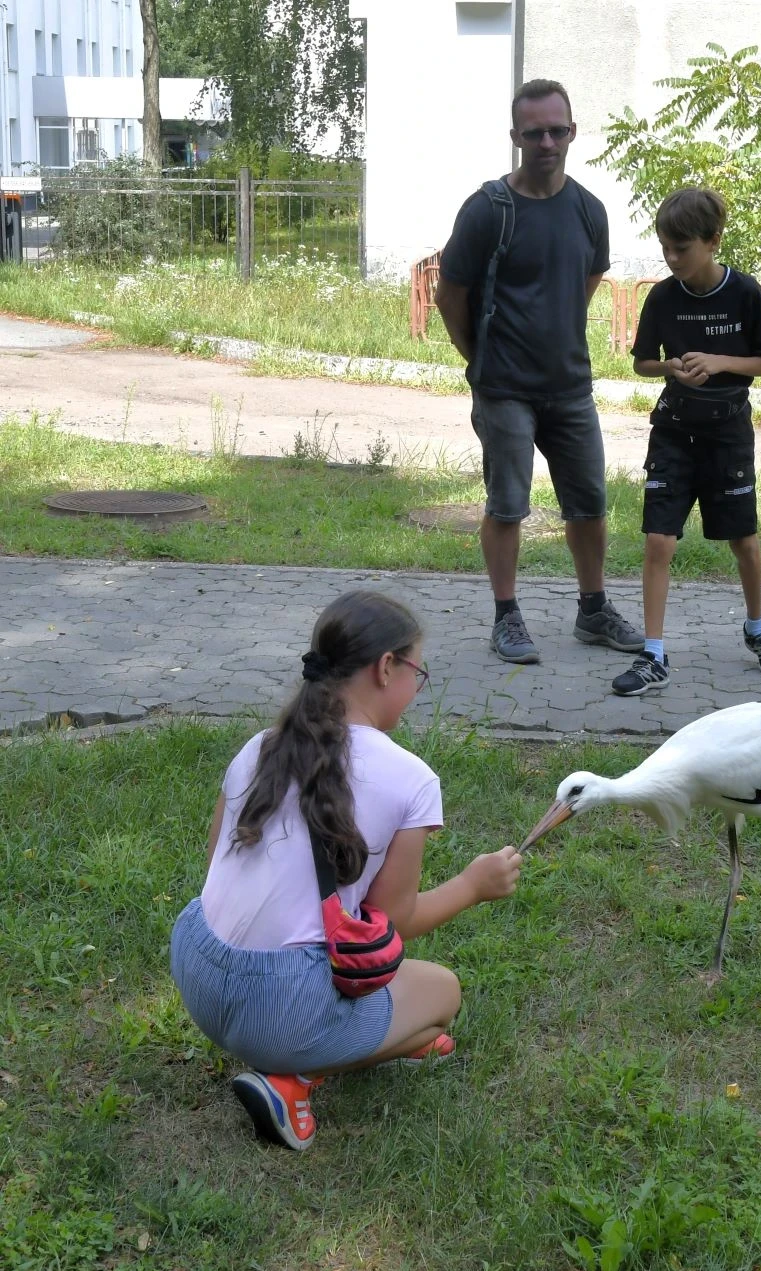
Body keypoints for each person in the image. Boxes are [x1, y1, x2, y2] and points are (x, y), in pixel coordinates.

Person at [170, 590, 522, 1152]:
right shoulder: (411, 779)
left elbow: (217, 860)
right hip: (281, 1007)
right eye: (418, 673)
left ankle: (315, 1049)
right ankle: (294, 1078)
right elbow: (395, 919)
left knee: (422, 1029)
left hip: (197, 969)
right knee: (442, 998)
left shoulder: (259, 746)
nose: (415, 690)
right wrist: (474, 886)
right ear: (387, 668)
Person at [434, 77, 644, 665]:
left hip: (570, 386)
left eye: (557, 130)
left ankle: (593, 610)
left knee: (591, 504)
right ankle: (507, 618)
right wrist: (477, 356)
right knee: (507, 506)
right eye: (535, 132)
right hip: (503, 389)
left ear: (573, 131)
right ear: (515, 137)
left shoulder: (588, 210)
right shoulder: (487, 210)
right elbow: (449, 292)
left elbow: (587, 281)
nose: (547, 141)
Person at [610, 186, 761, 697]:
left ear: (713, 241)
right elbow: (642, 361)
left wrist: (718, 362)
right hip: (673, 430)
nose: (671, 259)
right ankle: (654, 654)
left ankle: (757, 630)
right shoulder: (662, 296)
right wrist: (669, 367)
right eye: (665, 247)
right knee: (658, 539)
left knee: (744, 541)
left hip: (729, 436)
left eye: (681, 248)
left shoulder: (744, 292)